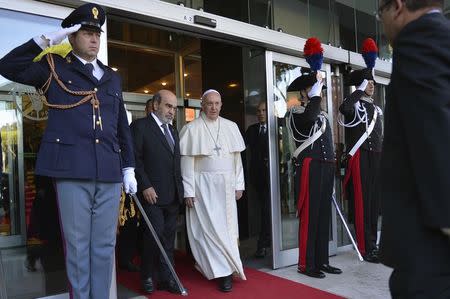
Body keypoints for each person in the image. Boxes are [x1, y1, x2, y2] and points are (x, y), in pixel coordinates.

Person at [0, 3, 137, 298]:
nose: (94, 39)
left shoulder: (112, 77)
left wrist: (129, 167)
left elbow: (120, 125)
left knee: (104, 246)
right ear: (72, 37)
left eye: (96, 34)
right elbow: (7, 66)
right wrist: (44, 41)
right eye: (86, 33)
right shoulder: (54, 66)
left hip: (109, 170)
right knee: (77, 247)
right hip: (72, 169)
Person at [377, 0, 450, 297]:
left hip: (431, 253)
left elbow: (435, 133)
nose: (381, 22)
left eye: (379, 12)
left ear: (397, 6)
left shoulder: (418, 41)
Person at [179, 89, 246, 292]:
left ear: (221, 104)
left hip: (226, 187)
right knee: (209, 230)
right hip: (203, 188)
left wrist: (239, 184)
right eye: (209, 103)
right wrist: (188, 190)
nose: (214, 107)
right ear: (202, 105)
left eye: (217, 103)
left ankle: (229, 266)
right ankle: (221, 273)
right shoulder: (192, 129)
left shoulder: (230, 126)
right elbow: (187, 163)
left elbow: (237, 161)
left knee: (227, 229)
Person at [287, 37, 342, 279]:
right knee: (310, 215)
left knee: (322, 215)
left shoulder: (322, 113)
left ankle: (321, 261)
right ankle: (306, 264)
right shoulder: (296, 112)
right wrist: (316, 94)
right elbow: (309, 119)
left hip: (326, 165)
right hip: (310, 166)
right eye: (313, 89)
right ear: (304, 92)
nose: (317, 94)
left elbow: (327, 137)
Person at [131, 90, 184, 294]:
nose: (172, 111)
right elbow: (135, 159)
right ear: (155, 105)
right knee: (154, 235)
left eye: (174, 107)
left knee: (168, 239)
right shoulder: (140, 127)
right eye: (168, 106)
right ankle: (146, 276)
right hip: (151, 195)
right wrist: (144, 185)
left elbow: (175, 164)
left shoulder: (174, 131)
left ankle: (166, 278)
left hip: (172, 195)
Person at [339, 38, 383, 264]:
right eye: (368, 82)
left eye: (372, 83)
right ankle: (365, 247)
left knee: (374, 203)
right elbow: (344, 108)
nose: (372, 86)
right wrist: (358, 90)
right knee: (362, 203)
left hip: (375, 158)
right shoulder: (354, 104)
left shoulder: (375, 108)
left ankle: (373, 244)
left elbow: (380, 137)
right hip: (360, 157)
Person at [244, 101, 271, 258]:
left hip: (275, 178)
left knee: (267, 211)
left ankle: (264, 243)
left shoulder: (277, 127)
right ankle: (265, 241)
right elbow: (240, 148)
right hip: (258, 179)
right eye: (258, 111)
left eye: (264, 110)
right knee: (264, 210)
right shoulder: (252, 130)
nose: (261, 113)